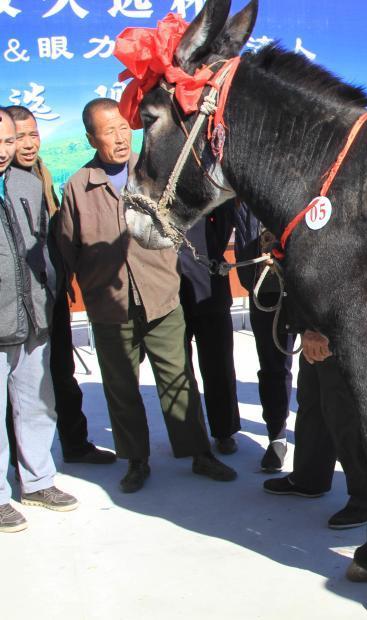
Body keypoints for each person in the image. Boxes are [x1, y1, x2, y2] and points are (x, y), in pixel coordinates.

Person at [56, 98, 235, 493]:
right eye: (109, 132)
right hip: (109, 305)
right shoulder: (78, 187)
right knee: (121, 387)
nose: (119, 139)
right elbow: (67, 248)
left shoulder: (152, 172)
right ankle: (136, 460)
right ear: (91, 138)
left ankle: (199, 453)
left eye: (124, 128)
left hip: (161, 294)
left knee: (178, 378)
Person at [6, 105, 115, 465]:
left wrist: (64, 276)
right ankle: (17, 465)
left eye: (32, 134)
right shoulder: (10, 183)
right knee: (18, 389)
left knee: (61, 371)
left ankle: (75, 442)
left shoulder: (41, 175)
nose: (26, 144)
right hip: (15, 303)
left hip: (50, 294)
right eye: (17, 137)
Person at [0, 108, 79, 533]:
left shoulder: (28, 183)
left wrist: (48, 295)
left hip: (33, 317)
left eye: (9, 142)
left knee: (35, 404)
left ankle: (38, 481)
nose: (5, 150)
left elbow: (43, 250)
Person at [263, 330, 367, 530]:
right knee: (312, 398)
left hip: (339, 322)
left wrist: (322, 331)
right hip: (314, 318)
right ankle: (309, 477)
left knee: (344, 409)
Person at [233, 200, 295, 471]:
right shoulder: (242, 193)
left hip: (306, 286)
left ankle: (332, 441)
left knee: (325, 370)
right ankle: (277, 437)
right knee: (272, 368)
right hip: (264, 289)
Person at [178, 201, 241, 455]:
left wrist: (210, 252)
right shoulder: (157, 178)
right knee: (178, 370)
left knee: (219, 366)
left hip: (209, 282)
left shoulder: (208, 179)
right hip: (170, 289)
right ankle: (187, 433)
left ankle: (224, 431)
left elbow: (225, 219)